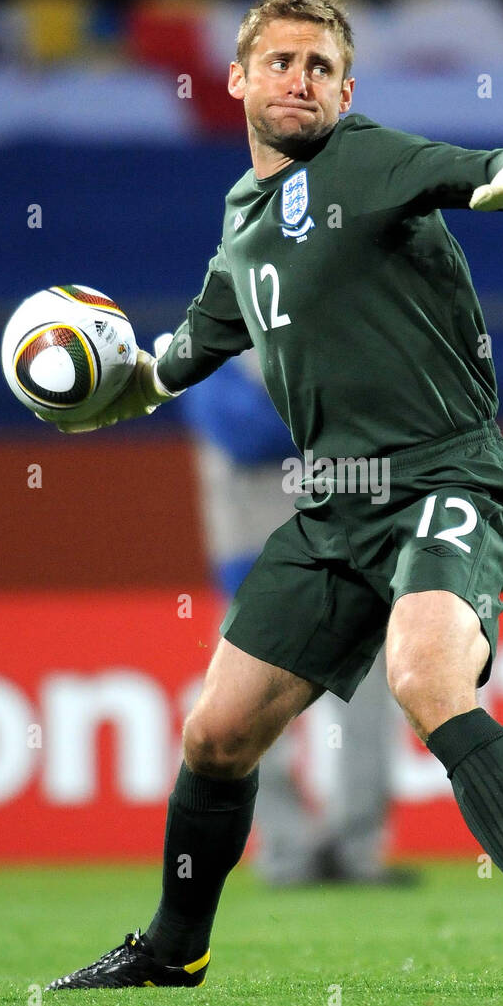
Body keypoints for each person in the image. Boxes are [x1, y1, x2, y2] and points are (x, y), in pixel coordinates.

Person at [45, 0, 503, 992]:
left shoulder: (365, 158)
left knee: (425, 677)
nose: (300, 80)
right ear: (236, 78)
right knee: (216, 732)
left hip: (449, 471)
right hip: (334, 505)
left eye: (320, 67)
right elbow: (164, 367)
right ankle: (173, 946)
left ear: (346, 89)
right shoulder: (242, 222)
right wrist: (86, 396)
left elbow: (474, 172)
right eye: (280, 61)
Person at [170, 345, 414, 886]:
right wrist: (335, 415)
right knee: (245, 721)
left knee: (367, 715)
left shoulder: (335, 346)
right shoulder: (213, 363)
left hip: (351, 556)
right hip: (254, 564)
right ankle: (287, 851)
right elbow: (247, 436)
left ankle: (358, 851)